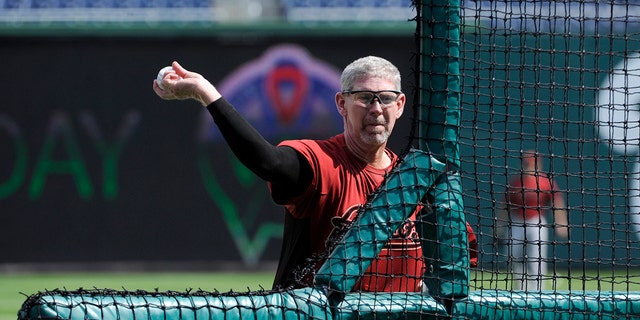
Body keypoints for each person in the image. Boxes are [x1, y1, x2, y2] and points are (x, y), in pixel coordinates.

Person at [153, 56, 427, 292]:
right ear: (342, 104)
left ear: (400, 105)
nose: (376, 108)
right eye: (364, 98)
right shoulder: (321, 162)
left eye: (386, 99)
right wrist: (206, 93)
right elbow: (268, 163)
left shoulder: (416, 182)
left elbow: (461, 255)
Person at [495, 150, 569, 291]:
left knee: (537, 259)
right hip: (517, 222)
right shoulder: (516, 183)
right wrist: (499, 228)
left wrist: (561, 223)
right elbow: (504, 207)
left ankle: (538, 290)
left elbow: (557, 202)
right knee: (512, 255)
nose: (529, 167)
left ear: (538, 165)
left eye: (531, 164)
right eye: (526, 164)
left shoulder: (545, 182)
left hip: (537, 222)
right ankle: (520, 286)